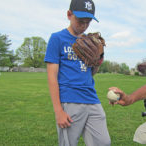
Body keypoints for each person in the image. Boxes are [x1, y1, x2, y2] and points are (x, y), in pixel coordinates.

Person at [44, 0, 111, 146]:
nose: (84, 25)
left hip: (91, 97)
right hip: (69, 100)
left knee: (103, 142)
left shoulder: (90, 41)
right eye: (80, 21)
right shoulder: (57, 38)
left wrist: (98, 61)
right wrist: (58, 111)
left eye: (88, 22)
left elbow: (90, 73)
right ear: (69, 15)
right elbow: (51, 77)